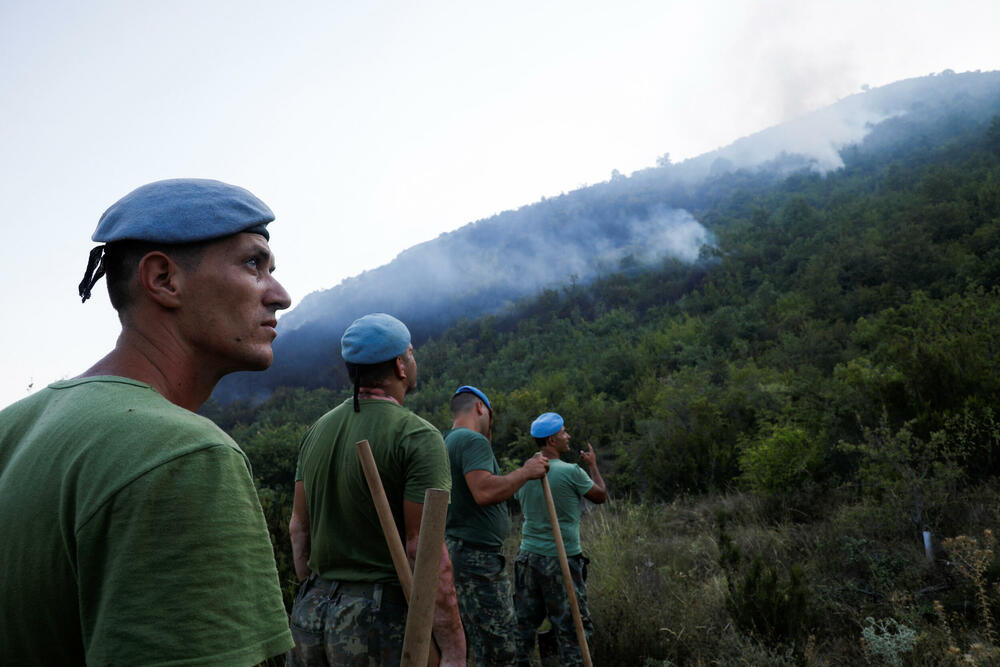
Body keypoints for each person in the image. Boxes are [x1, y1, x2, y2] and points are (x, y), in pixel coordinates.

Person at [0, 178, 295, 665]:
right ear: (163, 280)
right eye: (253, 264)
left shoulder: (14, 428)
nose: (280, 295)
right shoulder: (182, 456)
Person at [288, 313, 466, 666]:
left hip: (310, 614)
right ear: (401, 365)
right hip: (375, 620)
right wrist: (454, 647)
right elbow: (423, 550)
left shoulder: (317, 430)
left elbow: (298, 528)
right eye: (411, 354)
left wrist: (320, 588)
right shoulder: (418, 436)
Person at [444, 385, 550, 665]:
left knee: (473, 640)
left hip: (456, 552)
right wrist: (525, 472)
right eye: (491, 416)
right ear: (481, 408)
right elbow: (484, 491)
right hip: (477, 560)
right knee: (500, 646)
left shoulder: (446, 441)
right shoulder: (472, 440)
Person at [513, 412, 608, 666]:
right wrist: (593, 465)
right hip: (560, 559)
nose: (568, 436)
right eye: (564, 432)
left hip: (527, 558)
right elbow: (600, 496)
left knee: (522, 629)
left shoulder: (523, 474)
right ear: (552, 440)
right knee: (572, 630)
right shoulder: (570, 472)